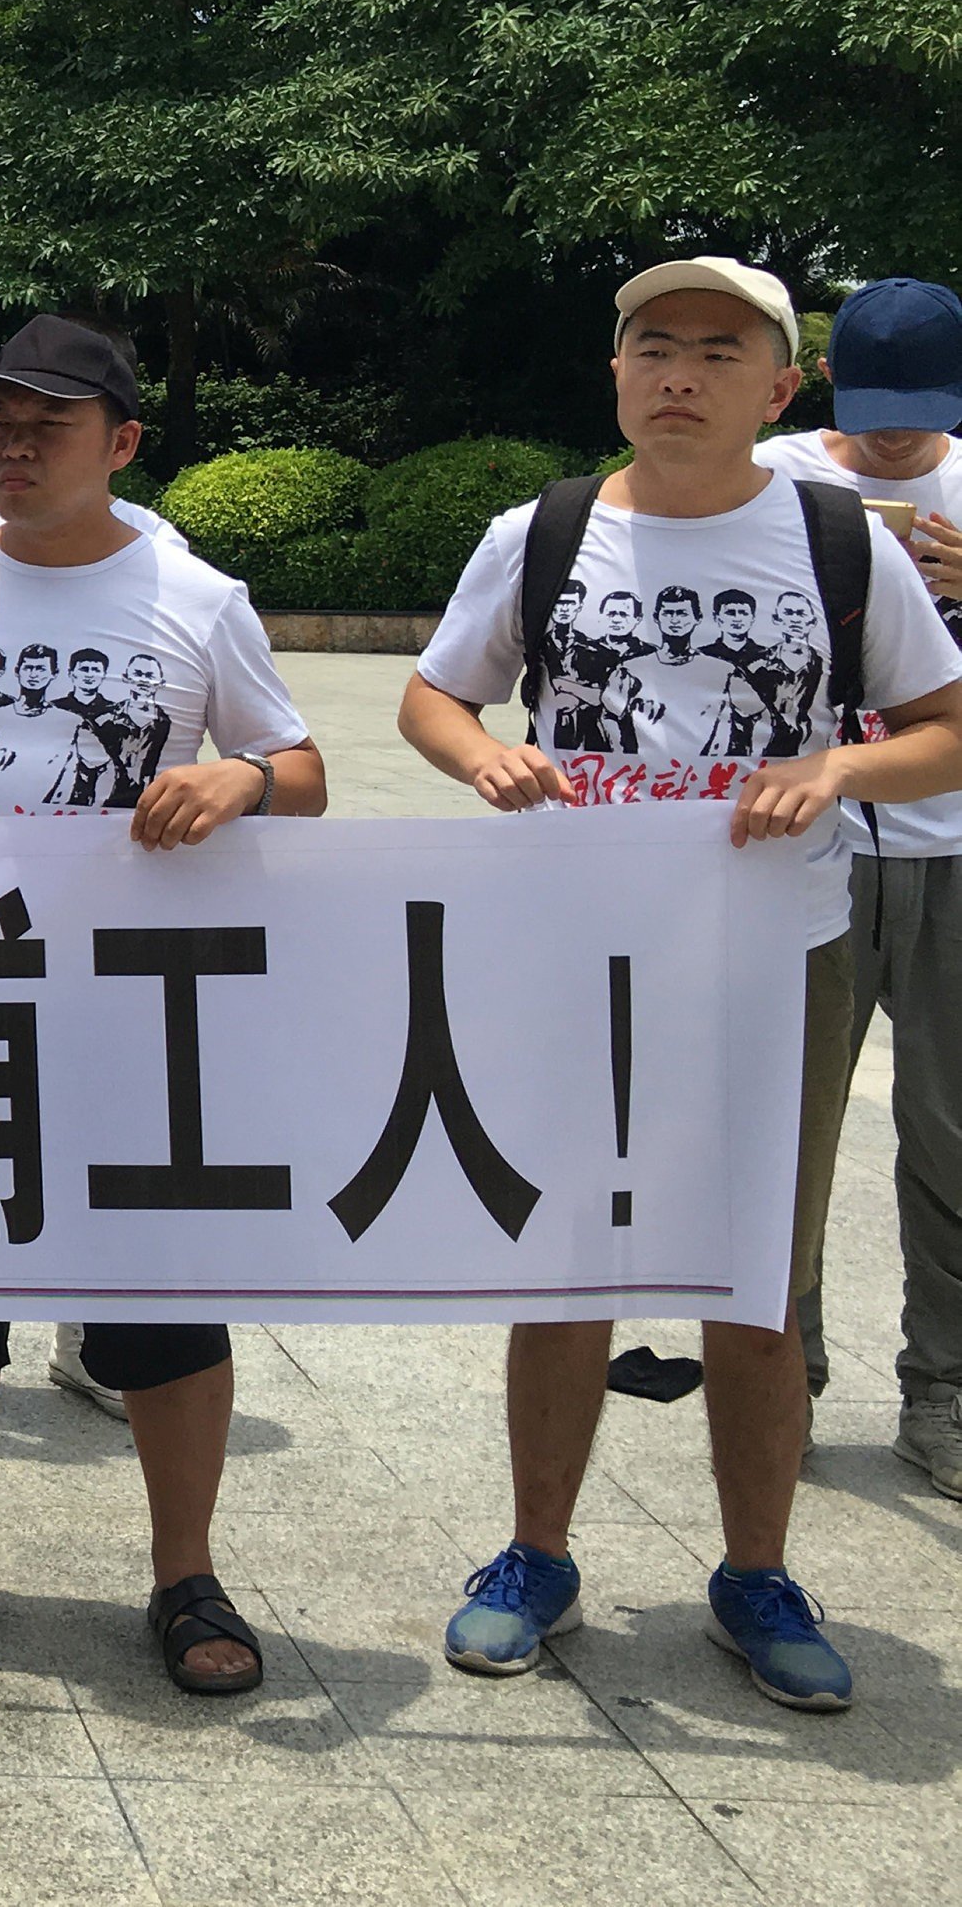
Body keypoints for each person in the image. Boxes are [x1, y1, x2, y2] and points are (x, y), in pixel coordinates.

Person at [403, 257, 962, 1712]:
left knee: (758, 1277)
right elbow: (435, 692)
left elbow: (948, 724)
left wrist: (838, 763)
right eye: (654, 345)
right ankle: (536, 1551)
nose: (680, 373)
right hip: (574, 938)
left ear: (779, 390)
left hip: (777, 949)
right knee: (564, 1258)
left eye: (720, 352)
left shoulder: (840, 539)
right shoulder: (548, 531)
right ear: (614, 373)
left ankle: (758, 1571)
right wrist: (482, 757)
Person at [0, 310, 327, 1697]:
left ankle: (184, 1569)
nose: (17, 447)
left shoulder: (194, 596)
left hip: (139, 1011)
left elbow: (303, 764)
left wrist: (242, 780)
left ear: (125, 442)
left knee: (158, 1306)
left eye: (51, 425)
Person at [751, 276, 962, 1490]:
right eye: (874, 406)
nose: (895, 436)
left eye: (922, 409)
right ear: (824, 381)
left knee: (947, 1134)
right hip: (805, 847)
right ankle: (786, 1370)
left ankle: (939, 1393)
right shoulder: (775, 478)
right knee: (787, 1131)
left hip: (949, 850)